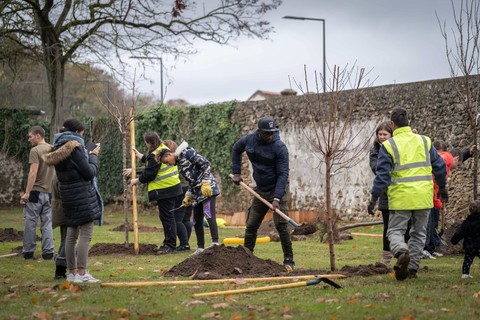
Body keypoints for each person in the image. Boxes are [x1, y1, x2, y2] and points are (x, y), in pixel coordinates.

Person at [368, 107, 447, 281]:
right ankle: (411, 270)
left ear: (393, 124)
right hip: (423, 198)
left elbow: (382, 176)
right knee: (419, 234)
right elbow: (440, 167)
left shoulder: (389, 145)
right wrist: (442, 189)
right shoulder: (425, 141)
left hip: (401, 198)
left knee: (394, 231)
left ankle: (401, 252)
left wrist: (373, 198)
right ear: (408, 122)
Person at [231, 116, 295, 271]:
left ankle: (289, 260)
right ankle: (247, 257)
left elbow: (283, 174)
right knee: (251, 224)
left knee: (281, 225)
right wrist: (236, 172)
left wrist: (277, 198)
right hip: (260, 190)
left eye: (272, 132)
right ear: (259, 131)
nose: (270, 136)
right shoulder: (249, 140)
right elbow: (236, 149)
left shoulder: (279, 147)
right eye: (267, 133)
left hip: (276, 190)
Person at [44, 119, 102, 283]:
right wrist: (93, 157)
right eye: (82, 134)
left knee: (71, 234)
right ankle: (82, 273)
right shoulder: (75, 148)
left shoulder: (57, 149)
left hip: (67, 195)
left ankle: (72, 273)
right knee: (86, 233)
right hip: (82, 195)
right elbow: (89, 173)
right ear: (77, 132)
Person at [123, 132, 183, 254]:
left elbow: (150, 173)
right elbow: (152, 164)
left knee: (167, 218)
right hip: (172, 188)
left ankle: (170, 246)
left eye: (146, 143)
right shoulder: (163, 149)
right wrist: (140, 156)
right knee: (166, 217)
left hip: (166, 189)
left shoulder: (156, 153)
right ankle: (168, 243)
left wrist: (137, 180)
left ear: (149, 143)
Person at [157, 141, 220, 255]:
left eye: (166, 162)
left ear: (169, 155)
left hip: (207, 190)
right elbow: (192, 180)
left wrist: (206, 181)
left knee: (209, 215)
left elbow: (205, 164)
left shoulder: (188, 153)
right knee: (196, 221)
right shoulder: (179, 164)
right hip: (196, 194)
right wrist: (189, 195)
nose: (167, 164)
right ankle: (200, 248)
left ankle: (215, 243)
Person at [20, 126, 55, 260]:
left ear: (38, 136)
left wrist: (27, 192)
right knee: (47, 223)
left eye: (30, 136)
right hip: (50, 193)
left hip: (35, 192)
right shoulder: (53, 149)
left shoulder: (35, 150)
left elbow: (33, 172)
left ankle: (28, 252)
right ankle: (48, 253)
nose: (29, 139)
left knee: (30, 222)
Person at [368, 121, 394, 266]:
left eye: (385, 134)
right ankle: (386, 257)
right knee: (387, 226)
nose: (382, 137)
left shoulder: (397, 147)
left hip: (401, 191)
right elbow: (377, 169)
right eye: (380, 134)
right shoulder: (375, 150)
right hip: (385, 192)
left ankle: (404, 254)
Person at [423, 140, 453, 260]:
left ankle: (430, 248)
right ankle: (428, 248)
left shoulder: (439, 160)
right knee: (429, 224)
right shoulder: (444, 159)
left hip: (431, 196)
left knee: (430, 224)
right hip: (431, 196)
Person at [164, 139, 193, 251]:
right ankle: (185, 244)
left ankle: (184, 243)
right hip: (190, 188)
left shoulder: (172, 161)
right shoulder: (182, 156)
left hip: (181, 189)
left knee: (177, 219)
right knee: (186, 218)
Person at [451, 199, 480, 279]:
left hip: (469, 245)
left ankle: (465, 274)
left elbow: (459, 233)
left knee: (467, 260)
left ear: (469, 210)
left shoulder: (467, 222)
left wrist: (454, 240)